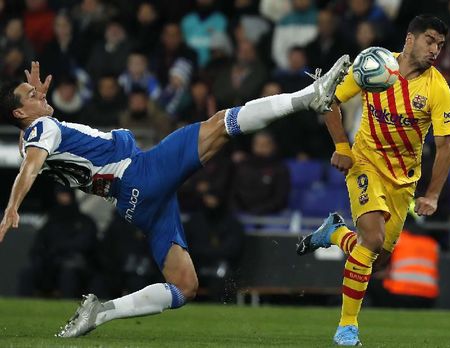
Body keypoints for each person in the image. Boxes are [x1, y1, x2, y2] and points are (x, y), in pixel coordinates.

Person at [0, 55, 351, 337]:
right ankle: (310, 95)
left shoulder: (33, 135)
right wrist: (12, 207)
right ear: (19, 114)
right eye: (30, 97)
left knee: (184, 286)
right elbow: (29, 167)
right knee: (220, 123)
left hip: (132, 203)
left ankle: (101, 312)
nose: (39, 94)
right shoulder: (41, 131)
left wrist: (38, 102)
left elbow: (30, 150)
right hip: (140, 173)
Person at [296, 15, 450, 346]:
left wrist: (433, 195)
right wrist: (342, 146)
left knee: (375, 257)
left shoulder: (437, 88)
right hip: (366, 162)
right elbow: (330, 100)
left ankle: (336, 233)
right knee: (372, 239)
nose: (435, 49)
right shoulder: (373, 64)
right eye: (430, 40)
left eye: (440, 44)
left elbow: (445, 145)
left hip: (403, 181)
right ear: (410, 39)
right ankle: (346, 326)